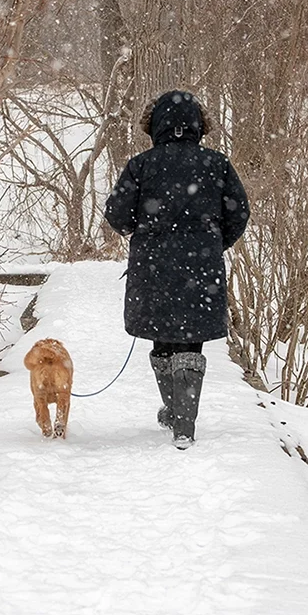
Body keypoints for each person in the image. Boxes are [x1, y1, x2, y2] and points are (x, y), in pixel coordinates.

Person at [104, 89, 250, 449]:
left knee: (163, 335)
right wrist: (213, 243)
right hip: (202, 265)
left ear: (155, 125)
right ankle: (183, 423)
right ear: (199, 124)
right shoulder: (217, 164)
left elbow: (117, 213)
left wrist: (141, 233)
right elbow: (239, 212)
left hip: (154, 264)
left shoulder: (142, 165)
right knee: (191, 340)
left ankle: (174, 411)